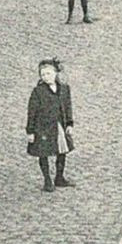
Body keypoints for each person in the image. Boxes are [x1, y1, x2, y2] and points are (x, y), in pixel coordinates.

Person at [25, 60, 75, 192]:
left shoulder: (64, 89)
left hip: (59, 125)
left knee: (62, 150)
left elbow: (68, 107)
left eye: (48, 73)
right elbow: (32, 112)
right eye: (43, 75)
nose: (46, 77)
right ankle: (47, 180)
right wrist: (30, 131)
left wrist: (69, 123)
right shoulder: (38, 92)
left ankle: (59, 177)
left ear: (55, 73)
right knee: (43, 152)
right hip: (42, 127)